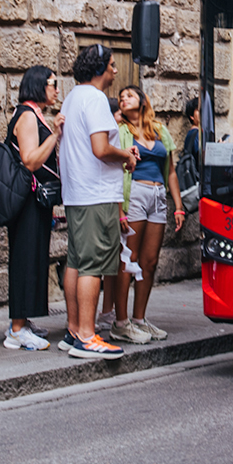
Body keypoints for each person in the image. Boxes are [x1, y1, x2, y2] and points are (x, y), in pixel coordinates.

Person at [58, 45, 137, 360]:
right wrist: (127, 156)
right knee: (93, 265)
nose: (116, 71)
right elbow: (101, 148)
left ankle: (74, 330)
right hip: (97, 194)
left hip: (77, 194)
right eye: (113, 65)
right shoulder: (95, 100)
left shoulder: (73, 96)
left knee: (76, 262)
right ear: (100, 68)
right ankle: (89, 337)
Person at [107, 85, 185, 344]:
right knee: (130, 260)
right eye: (121, 97)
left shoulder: (160, 130)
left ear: (142, 101)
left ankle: (139, 319)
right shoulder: (120, 131)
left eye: (129, 94)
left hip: (158, 195)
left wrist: (178, 205)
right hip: (135, 194)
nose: (123, 98)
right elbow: (114, 171)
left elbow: (170, 170)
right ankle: (121, 322)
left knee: (150, 262)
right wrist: (120, 209)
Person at [2, 65, 62, 351]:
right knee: (26, 258)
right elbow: (30, 161)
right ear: (39, 85)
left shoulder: (33, 114)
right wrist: (56, 135)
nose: (56, 89)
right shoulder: (26, 116)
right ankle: (16, 330)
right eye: (53, 83)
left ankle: (23, 321)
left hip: (35, 201)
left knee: (34, 256)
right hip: (27, 201)